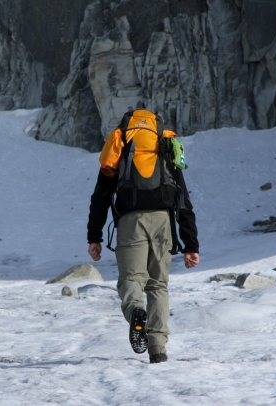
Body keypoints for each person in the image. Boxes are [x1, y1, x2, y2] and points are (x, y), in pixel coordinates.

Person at [86, 108, 200, 364]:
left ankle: (136, 310)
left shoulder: (120, 143)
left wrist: (94, 237)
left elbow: (101, 196)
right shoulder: (166, 145)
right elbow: (183, 198)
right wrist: (191, 244)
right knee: (158, 285)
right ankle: (157, 348)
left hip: (130, 222)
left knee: (131, 279)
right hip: (163, 222)